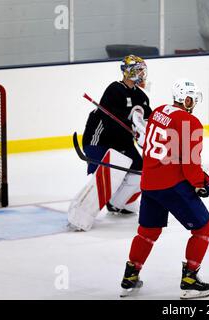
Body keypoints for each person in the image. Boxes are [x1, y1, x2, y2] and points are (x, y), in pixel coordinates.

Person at [119, 79, 209, 300]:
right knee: (204, 229)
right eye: (193, 100)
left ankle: (130, 277)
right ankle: (190, 280)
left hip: (149, 183)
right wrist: (203, 182)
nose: (194, 105)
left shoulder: (159, 111)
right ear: (187, 99)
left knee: (148, 231)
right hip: (172, 186)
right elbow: (190, 166)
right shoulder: (191, 121)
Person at [67, 55, 152, 231]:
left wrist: (147, 134)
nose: (142, 73)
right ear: (129, 72)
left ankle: (118, 203)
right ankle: (81, 213)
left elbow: (149, 119)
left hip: (123, 144)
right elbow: (110, 122)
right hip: (100, 141)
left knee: (142, 171)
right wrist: (133, 129)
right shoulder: (115, 90)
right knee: (109, 173)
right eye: (139, 70)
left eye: (143, 70)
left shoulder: (142, 97)